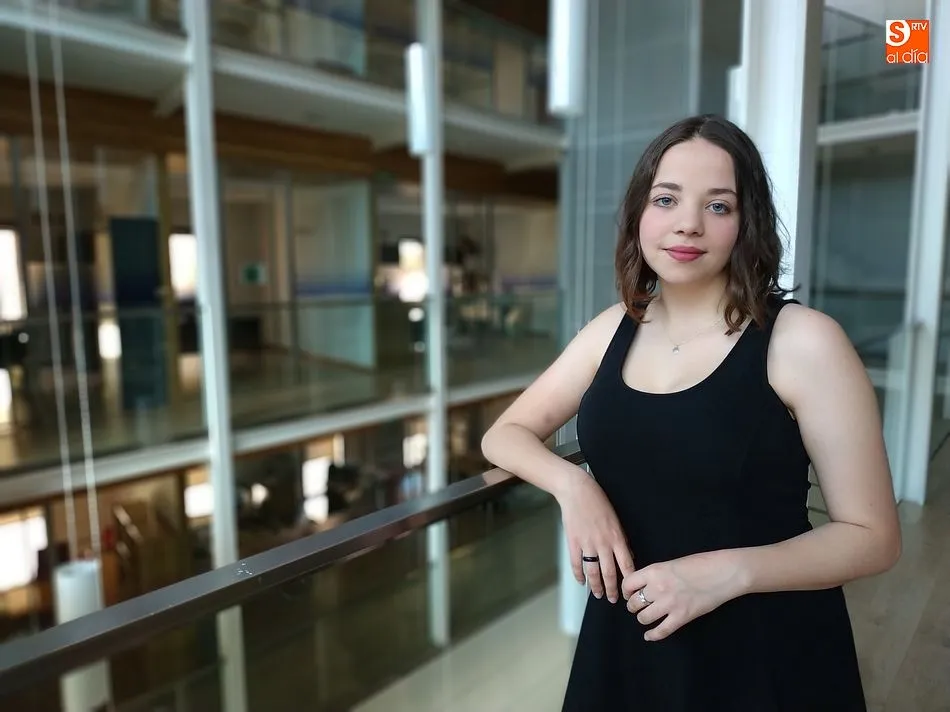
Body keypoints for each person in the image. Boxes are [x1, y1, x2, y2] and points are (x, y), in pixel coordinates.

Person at [480, 114, 900, 711]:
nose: (688, 223)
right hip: (628, 640)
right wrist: (574, 487)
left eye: (718, 206)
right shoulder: (613, 328)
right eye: (666, 199)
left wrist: (725, 573)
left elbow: (874, 538)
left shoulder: (804, 341)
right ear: (639, 213)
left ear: (747, 223)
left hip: (761, 650)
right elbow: (504, 434)